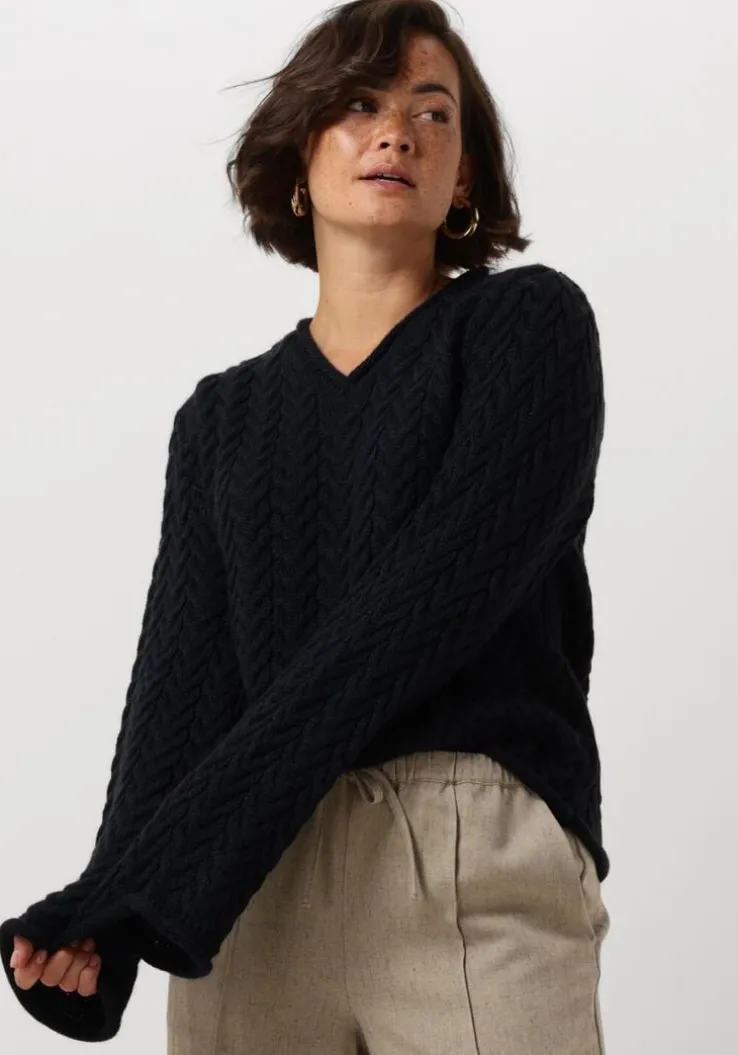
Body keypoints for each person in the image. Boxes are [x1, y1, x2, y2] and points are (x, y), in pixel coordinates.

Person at [3, 1, 611, 1051]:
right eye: (360, 105)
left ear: (464, 177)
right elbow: (180, 689)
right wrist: (108, 905)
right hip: (251, 887)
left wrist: (170, 861)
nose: (398, 133)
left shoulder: (526, 327)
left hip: (456, 856)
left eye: (434, 113)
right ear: (300, 152)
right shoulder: (222, 419)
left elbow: (425, 603)